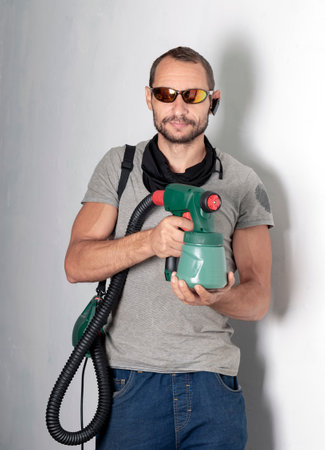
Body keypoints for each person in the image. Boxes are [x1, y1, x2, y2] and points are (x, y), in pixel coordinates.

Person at [65, 46, 274, 449]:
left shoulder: (243, 182)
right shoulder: (119, 167)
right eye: (166, 94)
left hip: (212, 385)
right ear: (149, 98)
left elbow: (259, 298)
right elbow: (75, 263)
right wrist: (149, 241)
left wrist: (219, 296)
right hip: (130, 385)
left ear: (213, 101)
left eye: (193, 95)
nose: (179, 107)